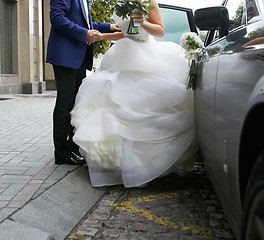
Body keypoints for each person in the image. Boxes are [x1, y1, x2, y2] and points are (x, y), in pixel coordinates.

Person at [71, 0, 197, 187]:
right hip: (122, 56)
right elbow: (125, 34)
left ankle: (146, 165)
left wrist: (143, 23)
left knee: (142, 109)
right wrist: (102, 36)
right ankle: (120, 165)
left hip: (146, 57)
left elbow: (160, 30)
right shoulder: (122, 2)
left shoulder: (148, 1)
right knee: (111, 104)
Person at [46, 0, 120, 165]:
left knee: (76, 104)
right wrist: (84, 34)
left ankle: (72, 148)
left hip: (78, 57)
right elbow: (57, 18)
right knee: (65, 105)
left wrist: (108, 27)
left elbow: (84, 23)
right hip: (65, 56)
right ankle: (62, 153)